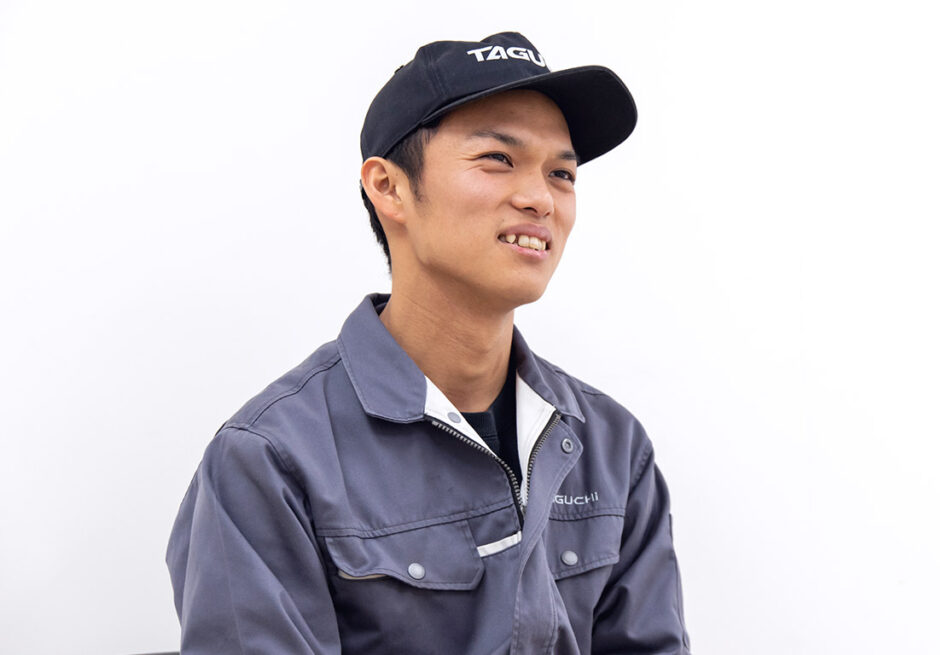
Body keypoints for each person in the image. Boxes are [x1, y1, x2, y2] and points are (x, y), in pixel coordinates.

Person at [167, 31, 692, 654]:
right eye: (497, 159)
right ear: (388, 187)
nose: (539, 199)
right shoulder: (271, 459)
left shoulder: (609, 446)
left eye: (561, 173)